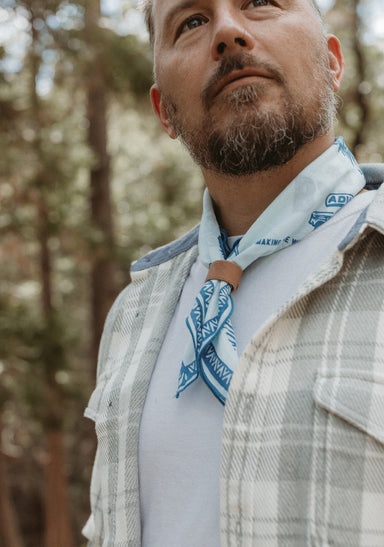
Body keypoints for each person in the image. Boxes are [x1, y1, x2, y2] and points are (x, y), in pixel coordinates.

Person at [83, 0, 384, 545]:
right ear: (164, 113)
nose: (228, 31)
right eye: (192, 22)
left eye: (261, 2)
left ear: (333, 62)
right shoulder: (133, 313)